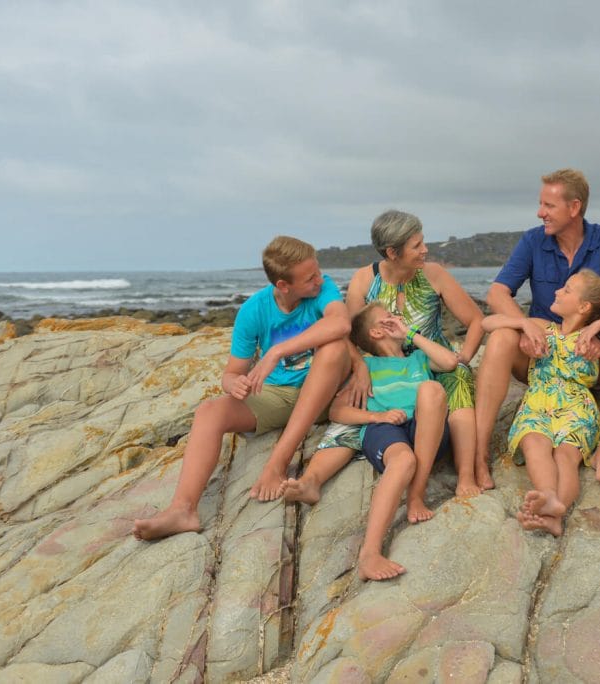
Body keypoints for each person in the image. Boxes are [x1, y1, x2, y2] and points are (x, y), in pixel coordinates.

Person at [133, 236, 351, 540]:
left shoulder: (323, 289)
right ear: (283, 285)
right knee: (210, 411)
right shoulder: (253, 310)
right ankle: (183, 510)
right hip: (280, 396)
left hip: (329, 394)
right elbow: (232, 373)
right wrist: (235, 384)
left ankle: (278, 462)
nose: (319, 280)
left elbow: (341, 325)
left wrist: (276, 351)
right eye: (309, 277)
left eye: (318, 271)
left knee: (334, 348)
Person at [281, 210, 484, 505]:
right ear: (392, 252)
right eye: (417, 245)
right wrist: (360, 367)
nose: (425, 250)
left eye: (422, 242)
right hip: (384, 363)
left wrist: (463, 356)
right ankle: (311, 481)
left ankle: (466, 474)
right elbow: (349, 332)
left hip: (432, 359)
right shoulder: (365, 279)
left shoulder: (434, 273)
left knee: (458, 379)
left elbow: (476, 320)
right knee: (356, 405)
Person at [475, 169, 600, 491]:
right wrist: (524, 325)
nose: (540, 212)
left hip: (590, 357)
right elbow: (497, 293)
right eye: (541, 204)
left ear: (574, 207)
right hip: (542, 356)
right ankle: (477, 454)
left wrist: (599, 335)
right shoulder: (532, 240)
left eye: (549, 206)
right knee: (500, 337)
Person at [484, 270, 600, 536]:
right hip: (536, 404)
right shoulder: (542, 326)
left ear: (584, 307)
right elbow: (487, 324)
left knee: (566, 456)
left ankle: (558, 506)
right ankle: (550, 500)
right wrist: (523, 324)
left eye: (567, 290)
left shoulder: (592, 340)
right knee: (534, 444)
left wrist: (599, 326)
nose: (558, 291)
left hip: (576, 407)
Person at [331, 302, 456, 580]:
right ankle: (370, 553)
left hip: (425, 429)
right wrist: (379, 417)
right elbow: (337, 410)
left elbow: (450, 362)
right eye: (389, 317)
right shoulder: (367, 366)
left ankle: (416, 495)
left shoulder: (419, 358)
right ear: (376, 332)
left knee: (432, 389)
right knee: (402, 460)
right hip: (385, 428)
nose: (397, 318)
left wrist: (410, 335)